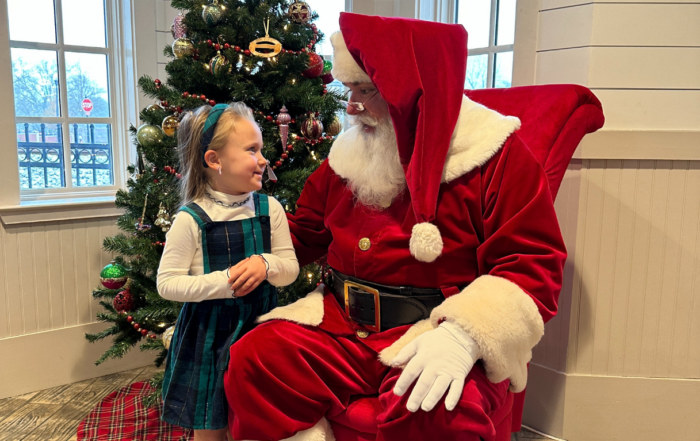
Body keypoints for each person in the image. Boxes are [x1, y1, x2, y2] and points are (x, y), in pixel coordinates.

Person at [224, 13, 567, 441]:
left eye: (366, 90)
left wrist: (464, 337)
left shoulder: (496, 155)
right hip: (340, 327)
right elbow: (303, 234)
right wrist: (229, 230)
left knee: (434, 409)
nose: (351, 106)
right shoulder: (350, 152)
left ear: (415, 92)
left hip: (433, 331)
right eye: (348, 90)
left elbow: (533, 266)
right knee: (256, 359)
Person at [157, 103, 299, 441]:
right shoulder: (192, 219)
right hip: (209, 337)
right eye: (252, 150)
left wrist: (266, 265)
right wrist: (225, 283)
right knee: (212, 422)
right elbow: (167, 283)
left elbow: (290, 268)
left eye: (261, 148)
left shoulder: (270, 209)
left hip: (262, 328)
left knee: (256, 418)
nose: (263, 159)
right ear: (214, 160)